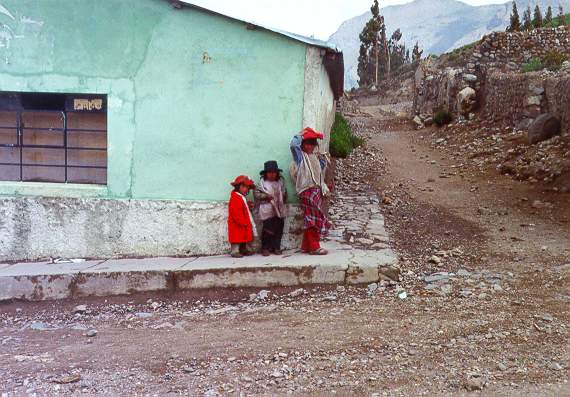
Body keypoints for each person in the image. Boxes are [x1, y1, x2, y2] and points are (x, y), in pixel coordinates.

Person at [289, 127, 332, 255]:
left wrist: (323, 160)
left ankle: (307, 246)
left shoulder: (314, 158)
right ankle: (314, 246)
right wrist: (300, 135)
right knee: (314, 218)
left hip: (315, 191)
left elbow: (318, 173)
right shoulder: (300, 158)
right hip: (306, 190)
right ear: (302, 145)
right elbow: (293, 145)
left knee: (310, 218)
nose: (310, 146)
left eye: (312, 144)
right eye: (307, 143)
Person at [254, 160, 288, 256]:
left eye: (274, 173)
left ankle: (276, 247)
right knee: (267, 230)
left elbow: (285, 193)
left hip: (279, 210)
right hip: (267, 210)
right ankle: (265, 248)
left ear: (277, 174)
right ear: (265, 174)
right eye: (269, 172)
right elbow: (256, 194)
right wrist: (265, 197)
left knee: (278, 229)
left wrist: (283, 197)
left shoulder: (280, 183)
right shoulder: (262, 184)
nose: (272, 175)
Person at [228, 175, 256, 258]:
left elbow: (242, 207)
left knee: (243, 237)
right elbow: (235, 211)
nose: (246, 189)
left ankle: (243, 249)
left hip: (243, 222)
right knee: (236, 238)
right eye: (243, 186)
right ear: (237, 186)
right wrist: (241, 221)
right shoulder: (235, 197)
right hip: (237, 223)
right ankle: (235, 251)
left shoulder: (241, 197)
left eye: (247, 187)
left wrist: (248, 205)